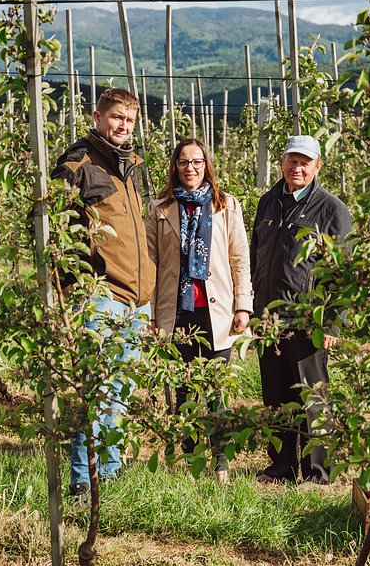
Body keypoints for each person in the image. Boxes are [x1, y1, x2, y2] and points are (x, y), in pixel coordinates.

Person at [51, 88, 156, 500]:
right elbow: (53, 232)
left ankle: (110, 471)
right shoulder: (78, 165)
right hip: (100, 295)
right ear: (97, 117)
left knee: (120, 390)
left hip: (135, 299)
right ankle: (83, 478)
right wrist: (71, 289)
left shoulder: (128, 166)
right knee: (94, 391)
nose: (123, 126)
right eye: (116, 118)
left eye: (129, 121)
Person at [145, 138, 252, 484]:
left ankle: (221, 463)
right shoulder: (159, 209)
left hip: (215, 312)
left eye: (196, 162)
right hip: (177, 312)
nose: (190, 168)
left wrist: (243, 305)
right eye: (183, 162)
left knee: (217, 389)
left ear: (206, 165)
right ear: (174, 167)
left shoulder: (226, 206)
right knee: (184, 391)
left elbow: (239, 259)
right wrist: (149, 315)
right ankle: (191, 461)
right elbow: (150, 263)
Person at [250, 134, 352, 485]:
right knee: (276, 396)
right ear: (282, 162)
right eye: (291, 160)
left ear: (317, 166)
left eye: (304, 162)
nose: (296, 168)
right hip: (269, 318)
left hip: (308, 320)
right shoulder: (268, 202)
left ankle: (317, 472)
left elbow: (340, 271)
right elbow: (256, 256)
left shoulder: (331, 209)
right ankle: (281, 467)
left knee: (312, 396)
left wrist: (331, 323)